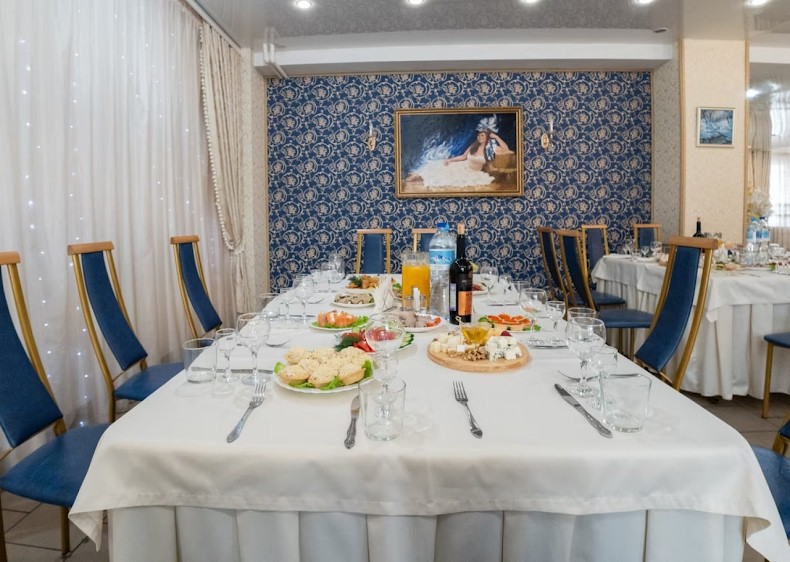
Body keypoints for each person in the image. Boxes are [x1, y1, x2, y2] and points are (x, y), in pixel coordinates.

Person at [405, 129, 512, 188]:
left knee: (444, 176)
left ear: (487, 137)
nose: (479, 137)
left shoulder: (491, 149)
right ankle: (415, 175)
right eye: (478, 135)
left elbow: (506, 149)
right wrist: (450, 160)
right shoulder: (474, 146)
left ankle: (416, 176)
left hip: (472, 172)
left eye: (482, 135)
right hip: (462, 166)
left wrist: (496, 137)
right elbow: (463, 157)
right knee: (438, 165)